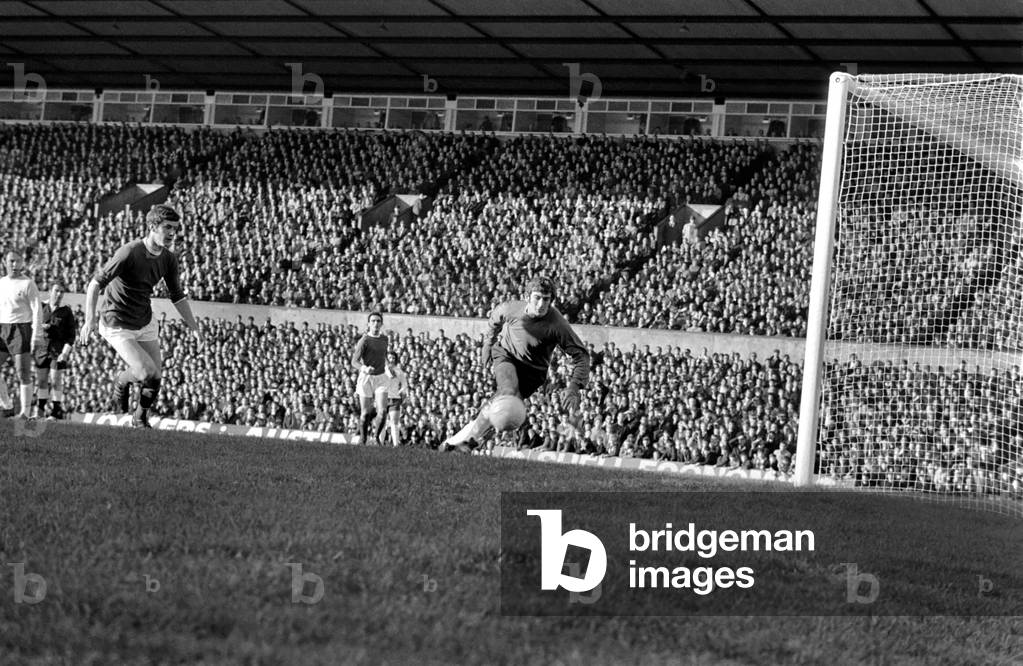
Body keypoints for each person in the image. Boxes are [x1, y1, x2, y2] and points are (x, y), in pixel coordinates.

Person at [79, 204, 203, 428]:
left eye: (175, 228)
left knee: (155, 377)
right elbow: (95, 284)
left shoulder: (168, 259)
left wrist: (193, 327)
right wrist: (89, 320)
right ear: (152, 226)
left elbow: (177, 296)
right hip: (117, 322)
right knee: (146, 372)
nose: (172, 233)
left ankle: (140, 418)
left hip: (144, 320)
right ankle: (122, 380)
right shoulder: (129, 252)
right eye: (167, 228)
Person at [440, 276, 590, 452]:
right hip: (506, 356)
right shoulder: (510, 309)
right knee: (508, 393)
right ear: (527, 296)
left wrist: (574, 386)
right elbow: (494, 319)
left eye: (546, 299)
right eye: (537, 297)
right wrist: (488, 343)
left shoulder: (558, 324)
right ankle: (471, 441)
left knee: (505, 409)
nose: (541, 303)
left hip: (534, 373)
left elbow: (581, 356)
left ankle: (455, 442)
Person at [0, 250, 41, 419]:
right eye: (11, 261)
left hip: (20, 328)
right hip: (2, 327)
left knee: (22, 372)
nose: (15, 265)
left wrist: (37, 335)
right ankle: (7, 405)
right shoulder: (1, 282)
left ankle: (25, 413)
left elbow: (37, 310)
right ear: (5, 263)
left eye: (18, 261)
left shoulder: (28, 284)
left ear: (22, 262)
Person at [32, 280, 76, 420]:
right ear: (50, 292)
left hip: (58, 351)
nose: (59, 294)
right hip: (41, 349)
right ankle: (40, 411)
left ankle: (55, 412)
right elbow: (32, 325)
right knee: (42, 381)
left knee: (56, 379)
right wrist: (39, 328)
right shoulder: (41, 306)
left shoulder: (66, 311)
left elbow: (71, 335)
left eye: (62, 292)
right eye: (56, 290)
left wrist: (65, 353)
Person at [350, 311, 389, 445]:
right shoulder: (364, 340)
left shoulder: (385, 339)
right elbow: (354, 361)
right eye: (373, 321)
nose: (376, 323)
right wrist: (364, 368)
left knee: (383, 411)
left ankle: (377, 438)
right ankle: (363, 438)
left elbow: (383, 356)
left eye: (378, 321)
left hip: (381, 377)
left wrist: (388, 368)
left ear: (381, 324)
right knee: (365, 413)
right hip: (366, 378)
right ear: (368, 324)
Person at [378, 350, 409, 447]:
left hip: (394, 399)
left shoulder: (399, 371)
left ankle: (396, 445)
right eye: (390, 358)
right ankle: (380, 443)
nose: (391, 360)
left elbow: (405, 385)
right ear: (387, 359)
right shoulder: (381, 370)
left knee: (394, 422)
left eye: (393, 358)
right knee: (382, 422)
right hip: (383, 398)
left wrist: (398, 393)